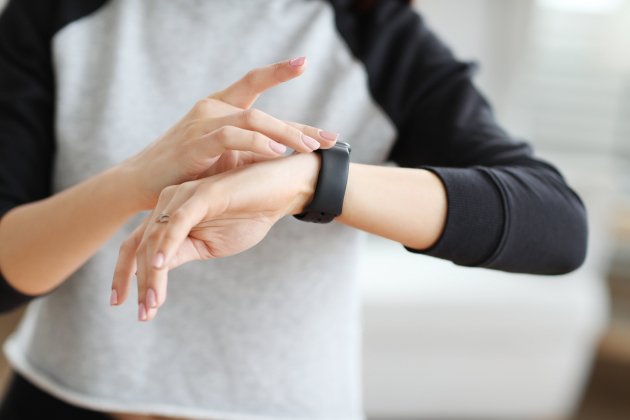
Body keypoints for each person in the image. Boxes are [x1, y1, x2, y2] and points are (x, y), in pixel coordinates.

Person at [0, 0, 587, 419]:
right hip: (61, 398)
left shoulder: (376, 34)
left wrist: (316, 182)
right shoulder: (53, 14)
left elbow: (557, 227)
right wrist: (137, 181)